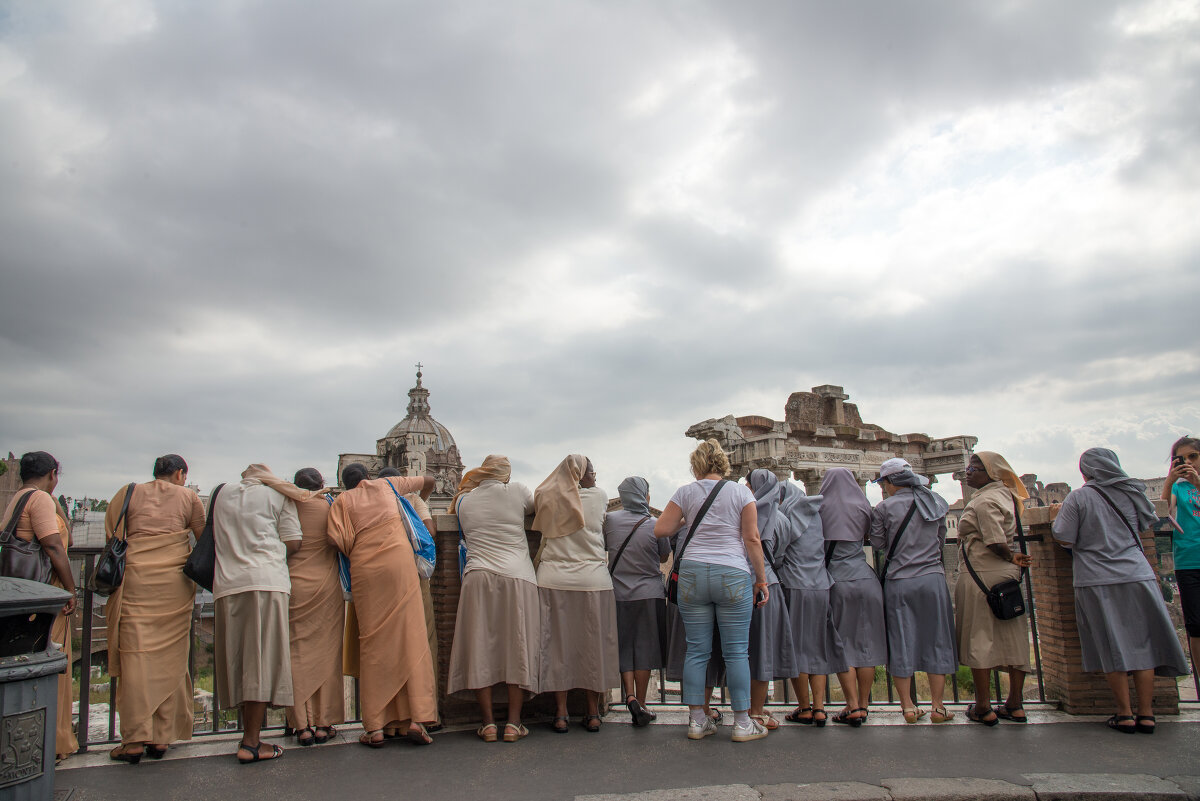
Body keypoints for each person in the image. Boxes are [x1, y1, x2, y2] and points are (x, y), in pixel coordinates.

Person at [1052, 447, 1188, 734]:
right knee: (1144, 644)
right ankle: (1147, 714)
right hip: (1137, 575)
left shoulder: (1079, 497)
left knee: (1110, 644)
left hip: (1096, 579)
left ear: (1085, 471)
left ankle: (1124, 713)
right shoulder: (1133, 492)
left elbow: (1063, 535)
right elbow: (1145, 524)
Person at [653, 439, 770, 743]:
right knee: (736, 652)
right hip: (732, 572)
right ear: (723, 463)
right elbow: (752, 539)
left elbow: (661, 529)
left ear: (696, 464)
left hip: (692, 572)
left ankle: (696, 720)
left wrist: (687, 519)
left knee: (697, 650)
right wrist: (761, 579)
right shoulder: (741, 492)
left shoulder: (686, 492)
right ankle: (743, 723)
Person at [327, 463, 437, 747]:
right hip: (400, 565)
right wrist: (419, 502)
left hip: (366, 569)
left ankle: (376, 727)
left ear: (346, 483)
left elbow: (338, 539)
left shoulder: (342, 501)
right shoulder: (388, 485)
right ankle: (417, 719)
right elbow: (429, 479)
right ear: (368, 477)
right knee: (412, 638)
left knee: (373, 643)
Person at [104, 455, 205, 763]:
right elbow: (204, 541)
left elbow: (113, 536)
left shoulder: (128, 492)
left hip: (135, 583)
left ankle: (133, 740)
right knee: (172, 659)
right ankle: (161, 738)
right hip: (173, 587)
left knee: (135, 660)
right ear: (179, 474)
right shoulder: (189, 497)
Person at [213, 464, 310, 764]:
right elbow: (293, 542)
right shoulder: (279, 496)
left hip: (226, 585)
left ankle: (249, 736)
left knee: (238, 661)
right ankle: (251, 743)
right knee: (261, 662)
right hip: (266, 583)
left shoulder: (220, 494)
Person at [446, 455, 541, 743]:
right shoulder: (517, 491)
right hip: (517, 576)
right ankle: (513, 724)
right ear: (506, 475)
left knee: (479, 649)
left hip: (477, 577)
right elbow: (535, 509)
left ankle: (487, 724)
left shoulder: (463, 500)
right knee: (518, 648)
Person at [533, 455, 620, 733]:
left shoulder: (547, 497)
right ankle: (593, 713)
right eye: (591, 471)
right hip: (592, 581)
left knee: (557, 647)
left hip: (552, 580)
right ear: (580, 475)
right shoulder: (599, 497)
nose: (594, 476)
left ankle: (561, 714)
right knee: (592, 648)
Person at [1, 452, 78, 761]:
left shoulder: (19, 497)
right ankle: (50, 741)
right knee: (51, 659)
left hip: (23, 594)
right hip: (44, 595)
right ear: (52, 474)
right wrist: (71, 590)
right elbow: (54, 545)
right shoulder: (40, 501)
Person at [869, 458, 957, 724]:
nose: (883, 488)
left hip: (900, 580)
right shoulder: (935, 502)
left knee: (900, 640)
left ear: (892, 482)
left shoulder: (884, 508)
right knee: (937, 639)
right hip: (932, 578)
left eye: (883, 482)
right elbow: (941, 540)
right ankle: (939, 706)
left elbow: (878, 543)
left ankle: (907, 706)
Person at [955, 452, 1034, 725]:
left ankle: (984, 707)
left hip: (984, 574)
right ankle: (1015, 704)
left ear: (992, 472)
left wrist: (1009, 555)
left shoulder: (986, 500)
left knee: (979, 639)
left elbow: (994, 539)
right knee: (1014, 637)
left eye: (974, 468)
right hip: (1004, 576)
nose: (968, 472)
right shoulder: (1005, 495)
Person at [819, 467, 885, 727]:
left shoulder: (821, 508)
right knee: (866, 645)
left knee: (842, 645)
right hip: (867, 579)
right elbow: (873, 536)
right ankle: (866, 704)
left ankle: (852, 704)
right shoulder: (863, 506)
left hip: (839, 580)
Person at [283, 467, 344, 746]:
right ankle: (323, 722)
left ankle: (300, 725)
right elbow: (341, 541)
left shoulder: (287, 507)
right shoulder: (329, 507)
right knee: (328, 654)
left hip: (293, 585)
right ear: (322, 485)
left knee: (296, 653)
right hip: (325, 585)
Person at [604, 476, 670, 726]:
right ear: (645, 496)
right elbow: (664, 556)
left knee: (623, 647)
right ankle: (642, 703)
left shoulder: (609, 520)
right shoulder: (656, 523)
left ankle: (628, 696)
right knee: (644, 649)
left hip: (618, 592)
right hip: (649, 593)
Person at [379, 466, 442, 732]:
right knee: (422, 641)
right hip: (414, 577)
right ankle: (425, 715)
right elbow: (431, 531)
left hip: (381, 581)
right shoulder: (412, 500)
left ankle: (390, 720)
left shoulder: (370, 503)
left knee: (386, 645)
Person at [777, 479, 843, 727]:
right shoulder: (816, 515)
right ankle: (820, 707)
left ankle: (803, 707)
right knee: (817, 646)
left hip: (795, 585)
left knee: (796, 648)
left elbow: (779, 551)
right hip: (821, 585)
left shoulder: (785, 516)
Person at [742, 470, 796, 731]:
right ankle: (758, 709)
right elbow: (781, 555)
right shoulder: (783, 520)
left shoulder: (743, 515)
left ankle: (744, 708)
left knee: (741, 650)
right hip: (769, 584)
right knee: (763, 650)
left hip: (743, 584)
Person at [1162, 436, 1200, 678]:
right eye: (1182, 459)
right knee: (1196, 628)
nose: (1188, 462)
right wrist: (1169, 480)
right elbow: (1160, 513)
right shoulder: (1177, 488)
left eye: (1193, 456)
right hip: (1189, 561)